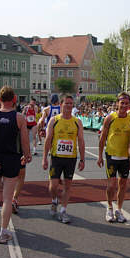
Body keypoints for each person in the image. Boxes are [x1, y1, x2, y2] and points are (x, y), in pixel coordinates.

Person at [0, 86, 32, 244]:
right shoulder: (19, 117)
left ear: (0, 99)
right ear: (14, 99)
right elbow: (24, 140)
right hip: (12, 159)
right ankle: (3, 232)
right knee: (8, 198)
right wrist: (27, 155)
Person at [42, 95, 85, 224]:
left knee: (67, 185)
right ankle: (54, 200)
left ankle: (63, 211)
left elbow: (81, 141)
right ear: (61, 105)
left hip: (71, 159)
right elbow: (48, 139)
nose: (68, 106)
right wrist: (44, 158)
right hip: (56, 157)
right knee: (53, 186)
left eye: (71, 104)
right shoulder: (54, 120)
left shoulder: (77, 122)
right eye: (66, 103)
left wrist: (82, 159)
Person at [97, 92, 130, 223]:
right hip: (111, 155)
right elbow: (102, 138)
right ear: (117, 103)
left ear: (129, 105)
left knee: (123, 185)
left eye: (126, 103)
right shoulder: (110, 118)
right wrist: (99, 156)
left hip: (125, 157)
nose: (124, 105)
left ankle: (119, 209)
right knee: (112, 184)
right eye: (122, 103)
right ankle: (109, 208)